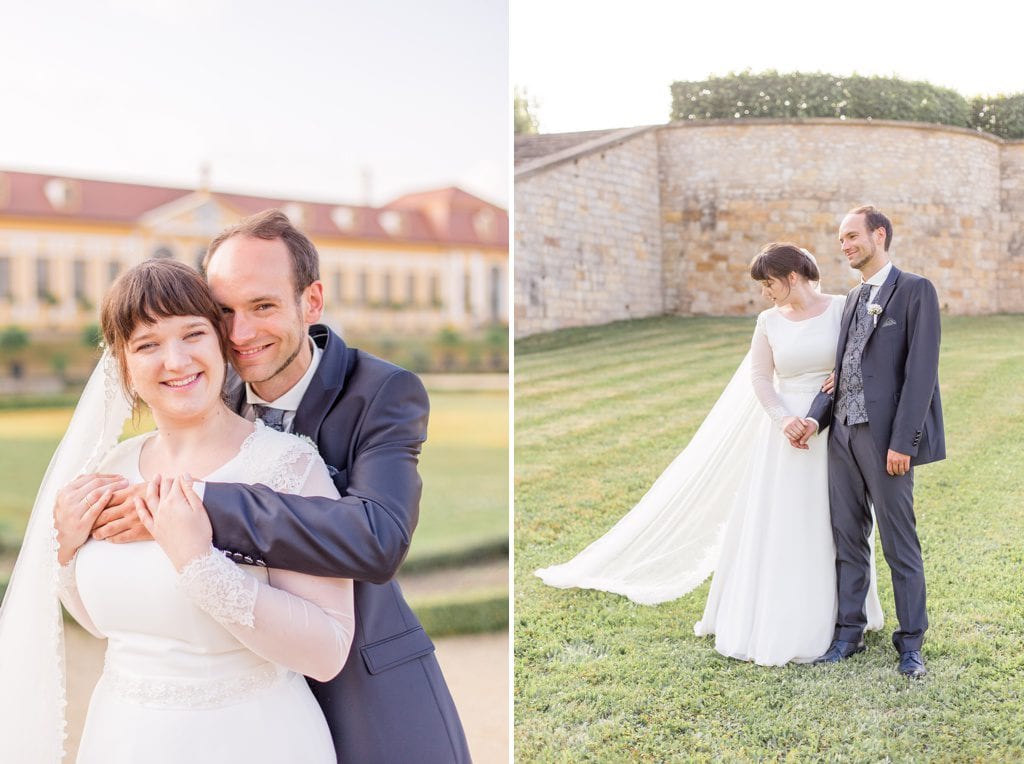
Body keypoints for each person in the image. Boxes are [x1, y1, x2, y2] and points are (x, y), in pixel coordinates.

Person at [89, 210, 470, 762]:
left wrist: (199, 501)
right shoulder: (205, 384)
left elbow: (378, 538)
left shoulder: (383, 392)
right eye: (223, 312)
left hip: (360, 678)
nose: (240, 335)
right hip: (230, 693)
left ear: (311, 301)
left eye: (263, 306)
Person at [1, 259, 354, 763]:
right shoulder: (111, 470)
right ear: (123, 365)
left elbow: (327, 651)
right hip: (122, 737)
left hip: (255, 739)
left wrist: (197, 561)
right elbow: (106, 624)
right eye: (148, 345)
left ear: (221, 344)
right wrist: (65, 552)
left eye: (192, 334)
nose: (176, 360)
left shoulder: (288, 467)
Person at [536, 243, 882, 666]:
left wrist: (832, 393)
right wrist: (782, 419)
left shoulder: (842, 308)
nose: (764, 293)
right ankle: (786, 617)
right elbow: (760, 376)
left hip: (835, 430)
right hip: (786, 434)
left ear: (792, 277)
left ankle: (846, 617)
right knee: (787, 521)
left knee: (838, 522)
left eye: (768, 283)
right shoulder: (768, 322)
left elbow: (861, 358)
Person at [798, 206, 944, 678]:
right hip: (842, 434)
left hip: (886, 442)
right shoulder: (853, 300)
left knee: (899, 542)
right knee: (847, 537)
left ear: (879, 235)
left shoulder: (916, 290)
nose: (845, 245)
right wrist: (814, 421)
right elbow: (840, 374)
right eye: (841, 239)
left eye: (852, 236)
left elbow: (921, 373)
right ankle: (848, 633)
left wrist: (904, 442)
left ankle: (911, 644)